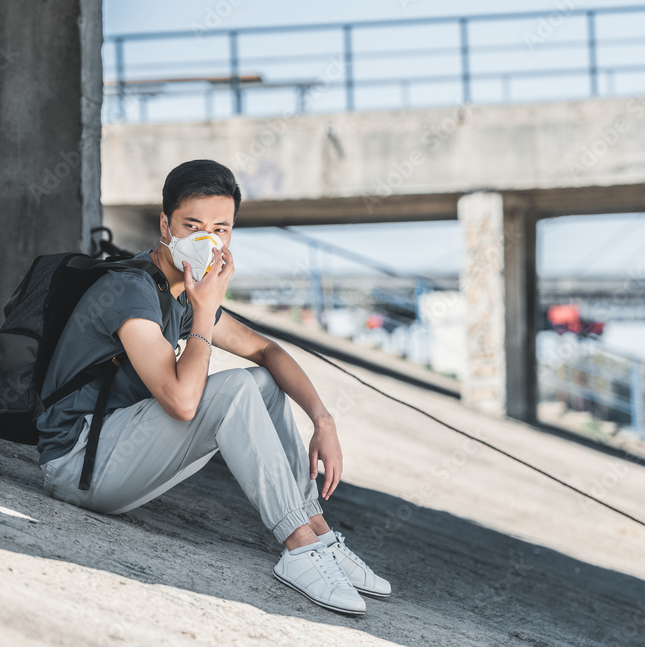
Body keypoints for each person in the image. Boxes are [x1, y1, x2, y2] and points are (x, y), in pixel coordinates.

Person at [35, 159, 390, 615]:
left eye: (221, 228)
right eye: (193, 225)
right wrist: (205, 313)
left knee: (260, 380)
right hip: (78, 465)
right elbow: (184, 404)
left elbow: (268, 352)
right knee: (233, 390)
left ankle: (317, 531)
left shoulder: (179, 290)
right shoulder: (133, 290)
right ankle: (299, 546)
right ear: (166, 224)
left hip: (115, 445)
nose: (208, 240)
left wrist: (323, 419)